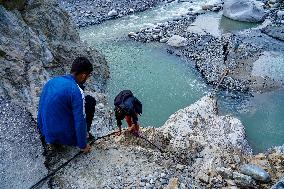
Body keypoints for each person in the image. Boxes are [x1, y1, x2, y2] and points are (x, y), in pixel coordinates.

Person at [37, 57, 96, 153]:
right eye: (88, 76)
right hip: (64, 139)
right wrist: (83, 145)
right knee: (90, 101)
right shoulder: (76, 91)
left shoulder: (51, 82)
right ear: (83, 75)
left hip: (46, 134)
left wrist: (43, 133)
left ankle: (50, 142)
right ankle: (85, 135)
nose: (87, 78)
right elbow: (80, 120)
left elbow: (41, 109)